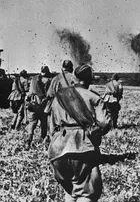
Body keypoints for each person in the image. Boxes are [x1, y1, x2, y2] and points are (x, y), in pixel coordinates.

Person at [48, 64, 111, 202]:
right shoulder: (94, 98)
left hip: (57, 150)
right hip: (82, 148)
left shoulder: (58, 97)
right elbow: (104, 124)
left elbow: (51, 128)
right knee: (86, 193)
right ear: (89, 80)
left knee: (71, 191)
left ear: (74, 78)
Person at [24, 66, 52, 150]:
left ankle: (28, 141)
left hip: (34, 105)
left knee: (32, 124)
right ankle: (44, 143)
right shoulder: (49, 80)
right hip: (44, 107)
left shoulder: (34, 79)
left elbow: (29, 94)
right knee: (44, 125)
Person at [46, 60, 75, 138]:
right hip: (72, 104)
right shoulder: (74, 78)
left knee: (54, 125)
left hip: (58, 104)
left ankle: (53, 140)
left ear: (62, 68)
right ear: (71, 68)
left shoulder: (56, 78)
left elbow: (49, 94)